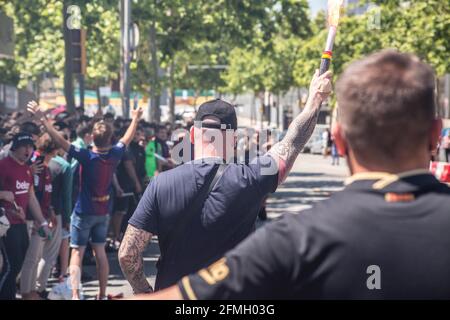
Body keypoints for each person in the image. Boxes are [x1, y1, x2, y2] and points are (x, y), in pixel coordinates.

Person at [136, 50, 450, 300]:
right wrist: (314, 101)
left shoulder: (297, 240)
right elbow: (290, 145)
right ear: (437, 133)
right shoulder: (255, 184)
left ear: (338, 139)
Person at [118, 70, 332, 294]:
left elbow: (127, 254)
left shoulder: (161, 184)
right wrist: (314, 100)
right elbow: (292, 143)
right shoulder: (251, 178)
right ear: (233, 139)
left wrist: (145, 293)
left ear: (191, 135)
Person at [27, 100, 143, 300]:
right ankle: (102, 293)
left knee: (77, 253)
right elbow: (127, 137)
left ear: (93, 138)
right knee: (100, 252)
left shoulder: (85, 156)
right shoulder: (115, 154)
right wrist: (135, 119)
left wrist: (44, 121)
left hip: (82, 212)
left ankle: (74, 294)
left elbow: (60, 140)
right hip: (103, 211)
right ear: (109, 139)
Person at [0, 132, 51, 300]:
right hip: (6, 224)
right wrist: (2, 194)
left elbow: (31, 197)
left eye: (30, 147)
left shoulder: (27, 169)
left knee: (19, 264)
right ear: (15, 147)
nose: (28, 151)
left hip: (21, 223)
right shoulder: (3, 165)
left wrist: (43, 222)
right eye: (24, 146)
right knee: (11, 265)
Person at [20, 133, 59, 300]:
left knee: (36, 258)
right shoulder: (36, 166)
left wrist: (49, 211)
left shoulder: (47, 167)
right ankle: (26, 293)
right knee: (31, 259)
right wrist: (37, 219)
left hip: (43, 218)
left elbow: (45, 194)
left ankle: (31, 291)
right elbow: (30, 194)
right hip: (32, 219)